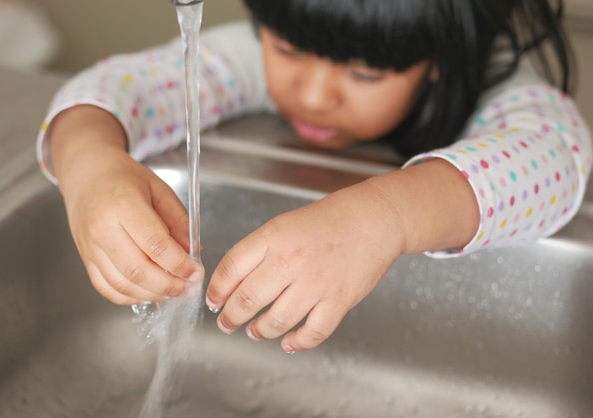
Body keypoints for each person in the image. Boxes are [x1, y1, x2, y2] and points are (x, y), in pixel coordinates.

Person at [37, 0, 592, 354]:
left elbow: (557, 157)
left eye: (363, 73)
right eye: (288, 49)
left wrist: (384, 216)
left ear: (439, 60)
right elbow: (120, 87)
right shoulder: (263, 50)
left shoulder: (490, 77)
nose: (314, 93)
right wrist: (87, 160)